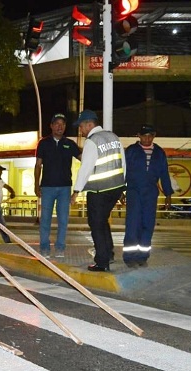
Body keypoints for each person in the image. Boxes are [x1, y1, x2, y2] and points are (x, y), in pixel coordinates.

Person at [70, 110, 126, 272]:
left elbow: (85, 168)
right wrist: (123, 186)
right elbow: (123, 163)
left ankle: (102, 261)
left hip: (99, 190)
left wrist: (76, 191)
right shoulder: (114, 137)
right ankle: (108, 253)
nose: (80, 130)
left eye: (81, 126)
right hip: (115, 188)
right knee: (102, 221)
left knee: (96, 224)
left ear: (89, 124)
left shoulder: (92, 141)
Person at [122, 124, 173, 267]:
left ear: (154, 135)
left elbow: (164, 174)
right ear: (139, 136)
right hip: (134, 191)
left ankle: (142, 257)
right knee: (132, 225)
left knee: (148, 225)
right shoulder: (131, 151)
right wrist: (121, 190)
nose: (147, 138)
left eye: (150, 135)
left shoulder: (159, 153)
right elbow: (123, 172)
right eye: (144, 135)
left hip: (150, 193)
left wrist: (168, 194)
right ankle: (130, 257)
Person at [34, 113, 81, 258]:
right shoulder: (43, 143)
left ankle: (60, 247)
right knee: (45, 219)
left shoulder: (70, 144)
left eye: (63, 124)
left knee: (63, 219)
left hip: (65, 188)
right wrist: (36, 185)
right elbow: (38, 165)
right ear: (51, 126)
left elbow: (84, 161)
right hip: (47, 187)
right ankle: (44, 248)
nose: (60, 126)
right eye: (57, 124)